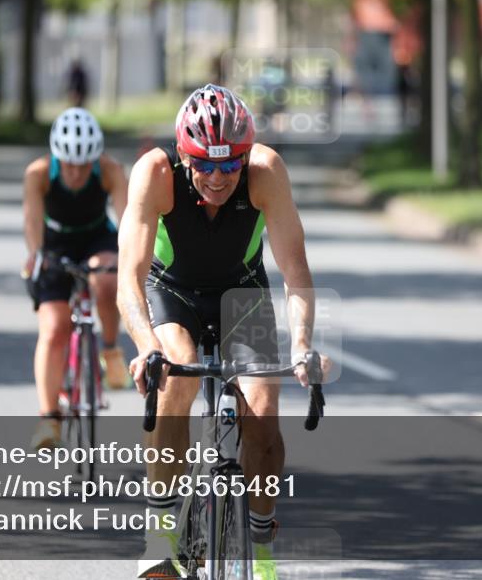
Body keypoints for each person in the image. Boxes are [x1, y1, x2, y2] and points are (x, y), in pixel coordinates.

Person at [118, 85, 323, 580]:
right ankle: (161, 534)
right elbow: (128, 276)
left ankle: (262, 546)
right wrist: (147, 347)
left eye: (229, 165)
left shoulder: (265, 171)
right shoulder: (155, 173)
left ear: (245, 157)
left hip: (241, 290)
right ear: (184, 155)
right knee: (178, 375)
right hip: (174, 290)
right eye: (204, 166)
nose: (217, 177)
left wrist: (301, 346)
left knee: (264, 411)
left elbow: (295, 271)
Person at [23, 107, 129, 450]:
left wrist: (132, 260)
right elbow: (33, 225)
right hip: (55, 240)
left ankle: (110, 349)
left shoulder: (110, 170)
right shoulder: (39, 174)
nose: (76, 171)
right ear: (57, 157)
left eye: (84, 164)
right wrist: (37, 257)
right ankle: (49, 417)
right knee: (54, 328)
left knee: (109, 277)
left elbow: (129, 222)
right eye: (69, 163)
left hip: (97, 237)